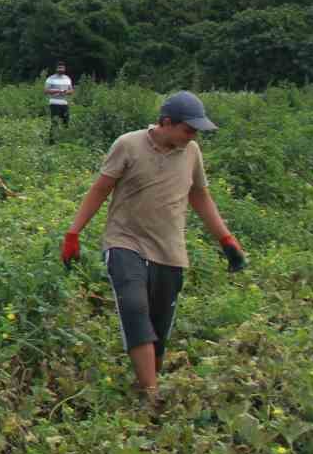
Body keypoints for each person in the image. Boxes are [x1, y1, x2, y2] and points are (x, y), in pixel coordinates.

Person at [61, 90, 245, 408]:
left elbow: (200, 196)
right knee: (134, 308)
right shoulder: (128, 144)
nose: (193, 135)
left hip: (170, 250)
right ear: (166, 122)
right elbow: (101, 188)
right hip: (124, 242)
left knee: (159, 327)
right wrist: (73, 233)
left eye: (196, 131)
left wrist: (226, 240)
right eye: (188, 129)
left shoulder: (192, 152)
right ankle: (151, 396)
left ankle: (147, 380)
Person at [44, 61, 75, 131]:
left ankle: (64, 139)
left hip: (65, 103)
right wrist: (58, 91)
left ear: (64, 69)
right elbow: (46, 91)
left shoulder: (67, 78)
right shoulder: (51, 78)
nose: (61, 70)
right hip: (54, 103)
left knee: (66, 123)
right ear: (56, 69)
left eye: (62, 68)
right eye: (59, 68)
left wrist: (66, 92)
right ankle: (52, 141)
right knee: (54, 123)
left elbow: (72, 91)